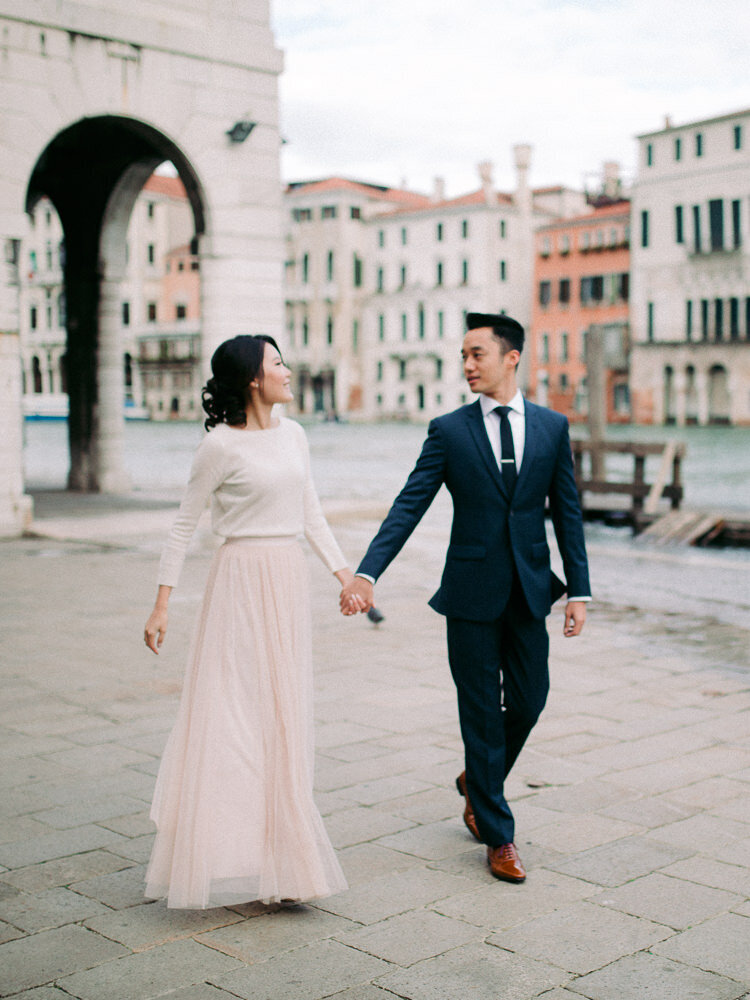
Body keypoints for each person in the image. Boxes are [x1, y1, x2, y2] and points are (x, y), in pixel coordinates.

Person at [340, 313, 591, 883]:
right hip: (470, 593)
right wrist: (367, 574)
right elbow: (410, 504)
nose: (467, 366)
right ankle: (498, 834)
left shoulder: (552, 427)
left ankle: (475, 780)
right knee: (479, 712)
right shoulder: (449, 430)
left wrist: (580, 589)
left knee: (530, 700)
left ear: (511, 357)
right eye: (463, 356)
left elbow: (568, 514)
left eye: (477, 354)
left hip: (531, 590)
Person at [143, 334, 364, 909]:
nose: (288, 370)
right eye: (277, 363)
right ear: (252, 379)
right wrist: (162, 603)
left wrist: (345, 576)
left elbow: (310, 511)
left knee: (283, 715)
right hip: (237, 582)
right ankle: (226, 852)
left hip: (285, 576)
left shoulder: (296, 436)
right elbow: (183, 527)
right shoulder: (218, 447)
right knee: (235, 717)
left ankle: (282, 860)